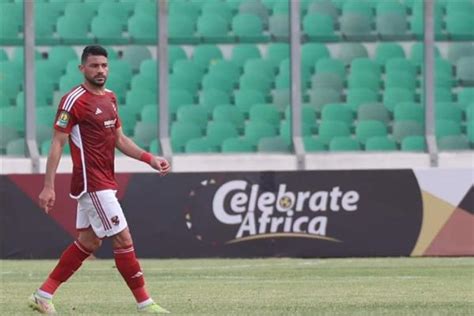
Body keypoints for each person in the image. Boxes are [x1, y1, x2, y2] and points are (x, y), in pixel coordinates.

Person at [28, 45, 171, 314]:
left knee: (89, 242)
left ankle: (43, 294)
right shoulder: (73, 100)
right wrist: (48, 186)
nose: (100, 70)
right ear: (82, 69)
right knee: (123, 239)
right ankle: (145, 304)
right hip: (92, 183)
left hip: (104, 181)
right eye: (94, 66)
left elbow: (119, 139)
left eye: (104, 65)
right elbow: (58, 144)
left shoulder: (111, 98)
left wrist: (150, 158)